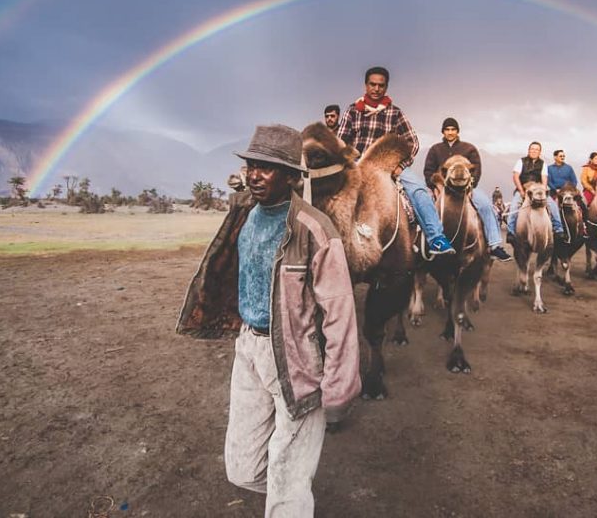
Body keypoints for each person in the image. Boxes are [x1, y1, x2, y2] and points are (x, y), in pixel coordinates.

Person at [176, 124, 361, 517]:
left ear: (292, 176)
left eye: (266, 168)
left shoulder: (314, 228)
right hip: (250, 348)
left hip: (297, 359)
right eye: (252, 166)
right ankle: (292, 498)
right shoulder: (245, 214)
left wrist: (339, 385)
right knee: (242, 468)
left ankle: (291, 500)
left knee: (287, 478)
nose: (254, 175)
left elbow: (340, 310)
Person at [336, 66, 455, 256]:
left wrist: (401, 165)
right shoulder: (352, 111)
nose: (376, 89)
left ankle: (436, 238)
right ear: (365, 85)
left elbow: (413, 142)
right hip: (358, 165)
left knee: (419, 190)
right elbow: (341, 143)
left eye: (380, 86)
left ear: (386, 87)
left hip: (388, 167)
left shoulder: (395, 113)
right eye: (372, 85)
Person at [422, 117, 512, 261]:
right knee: (422, 206)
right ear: (443, 132)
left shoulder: (469, 148)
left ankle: (495, 245)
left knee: (486, 205)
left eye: (453, 129)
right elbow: (428, 171)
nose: (450, 132)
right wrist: (435, 186)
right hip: (441, 189)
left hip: (466, 188)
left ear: (457, 131)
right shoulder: (435, 150)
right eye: (447, 130)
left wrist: (471, 187)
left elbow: (476, 170)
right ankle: (423, 246)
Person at [506, 141, 565, 240]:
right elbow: (516, 177)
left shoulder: (543, 164)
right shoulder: (521, 161)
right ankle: (510, 232)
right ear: (528, 150)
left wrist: (544, 191)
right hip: (523, 188)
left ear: (540, 152)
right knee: (514, 206)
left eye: (536, 149)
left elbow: (544, 178)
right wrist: (521, 191)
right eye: (532, 149)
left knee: (553, 205)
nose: (534, 151)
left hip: (538, 190)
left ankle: (558, 229)